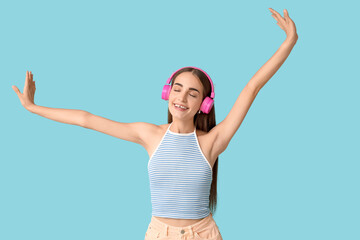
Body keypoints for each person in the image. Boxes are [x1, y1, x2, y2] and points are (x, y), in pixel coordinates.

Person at [12, 8, 297, 240]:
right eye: (177, 88)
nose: (182, 97)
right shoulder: (148, 134)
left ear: (204, 105)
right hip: (159, 234)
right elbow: (86, 119)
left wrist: (289, 42)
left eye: (192, 93)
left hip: (203, 234)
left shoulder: (212, 142)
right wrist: (33, 107)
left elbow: (252, 87)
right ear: (166, 92)